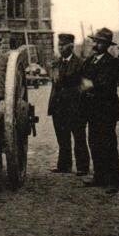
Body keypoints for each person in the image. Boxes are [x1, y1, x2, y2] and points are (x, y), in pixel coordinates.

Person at [80, 27, 119, 194]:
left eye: (100, 42)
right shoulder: (91, 60)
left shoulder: (111, 62)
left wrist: (89, 85)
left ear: (107, 45)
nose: (95, 44)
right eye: (95, 41)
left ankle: (113, 181)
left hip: (106, 110)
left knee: (108, 144)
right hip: (92, 109)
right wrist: (86, 84)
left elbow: (105, 84)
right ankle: (99, 176)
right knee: (94, 143)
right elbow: (82, 77)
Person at [47, 34, 89, 176]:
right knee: (62, 137)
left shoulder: (80, 64)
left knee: (79, 137)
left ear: (71, 46)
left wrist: (75, 95)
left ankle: (82, 166)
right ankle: (64, 165)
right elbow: (54, 82)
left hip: (75, 107)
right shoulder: (56, 63)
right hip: (59, 107)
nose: (60, 48)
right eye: (59, 45)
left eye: (63, 45)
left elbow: (86, 85)